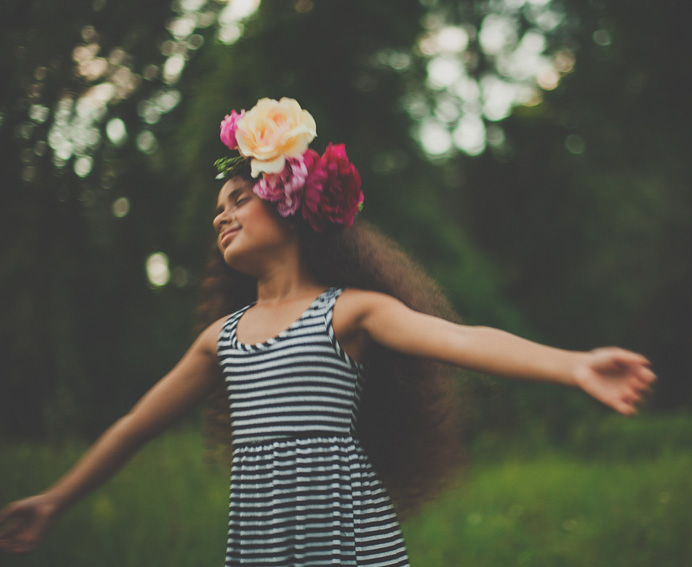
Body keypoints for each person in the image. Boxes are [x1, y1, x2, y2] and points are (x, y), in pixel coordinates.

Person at [0, 97, 656, 566]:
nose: (220, 217)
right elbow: (134, 426)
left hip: (349, 541)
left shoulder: (349, 311)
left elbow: (467, 339)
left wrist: (572, 364)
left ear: (286, 200)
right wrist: (56, 500)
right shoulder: (221, 340)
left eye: (236, 199)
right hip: (261, 543)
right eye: (215, 211)